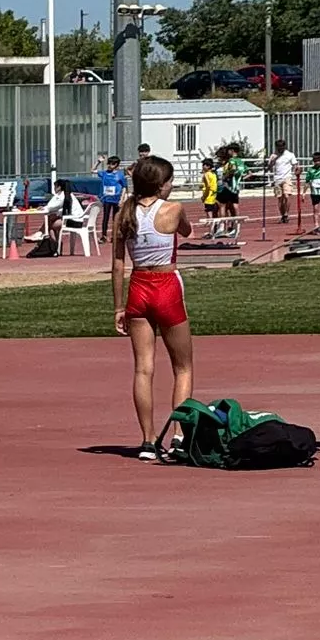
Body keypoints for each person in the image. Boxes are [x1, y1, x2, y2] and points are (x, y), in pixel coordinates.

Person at [111, 155, 194, 462]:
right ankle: (179, 435)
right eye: (169, 181)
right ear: (160, 185)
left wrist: (118, 306)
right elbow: (186, 231)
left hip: (138, 287)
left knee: (143, 368)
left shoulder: (124, 213)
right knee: (183, 367)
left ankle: (147, 441)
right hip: (166, 285)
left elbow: (117, 265)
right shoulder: (173, 209)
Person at [95, 154, 128, 244]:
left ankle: (115, 236)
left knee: (115, 218)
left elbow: (124, 187)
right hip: (107, 199)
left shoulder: (120, 175)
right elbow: (93, 170)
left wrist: (121, 199)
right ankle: (104, 236)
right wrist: (98, 162)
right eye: (109, 163)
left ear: (116, 165)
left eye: (112, 164)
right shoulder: (104, 173)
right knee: (105, 218)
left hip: (116, 199)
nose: (110, 165)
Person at [269, 138, 297, 226]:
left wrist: (296, 171)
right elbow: (269, 167)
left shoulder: (290, 154)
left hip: (287, 178)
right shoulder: (273, 155)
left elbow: (295, 165)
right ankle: (282, 215)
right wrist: (273, 160)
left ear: (284, 146)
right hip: (277, 179)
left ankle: (286, 214)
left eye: (281, 146)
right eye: (278, 146)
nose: (280, 148)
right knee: (280, 198)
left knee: (287, 195)